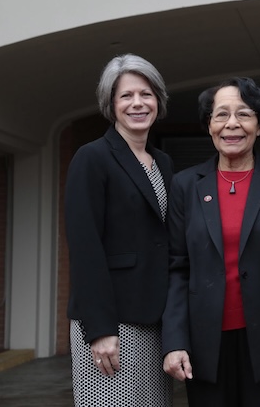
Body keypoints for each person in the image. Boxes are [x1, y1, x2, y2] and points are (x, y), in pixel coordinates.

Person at [161, 76, 260, 407]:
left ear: (259, 126)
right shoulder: (186, 185)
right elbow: (177, 268)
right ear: (209, 125)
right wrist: (174, 341)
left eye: (244, 114)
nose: (232, 124)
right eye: (221, 115)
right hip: (204, 349)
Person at [65, 54, 174, 407]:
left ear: (158, 99)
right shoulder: (92, 157)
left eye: (146, 94)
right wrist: (100, 330)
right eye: (126, 96)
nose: (138, 104)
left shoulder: (163, 162)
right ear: (111, 105)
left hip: (154, 319)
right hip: (112, 322)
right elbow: (85, 248)